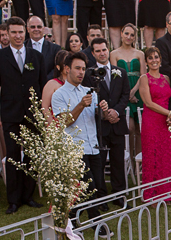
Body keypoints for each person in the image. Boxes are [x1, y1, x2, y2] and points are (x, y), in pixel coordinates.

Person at [0, 16, 46, 214]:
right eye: (13, 32)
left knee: (31, 156)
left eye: (21, 32)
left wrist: (41, 114)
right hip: (10, 114)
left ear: (26, 32)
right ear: (7, 34)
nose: (18, 35)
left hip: (31, 115)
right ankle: (13, 200)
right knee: (12, 157)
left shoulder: (36, 57)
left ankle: (28, 196)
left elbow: (41, 87)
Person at [51, 52, 104, 224]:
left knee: (94, 185)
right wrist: (81, 104)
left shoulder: (90, 92)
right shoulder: (59, 94)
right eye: (77, 68)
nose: (81, 72)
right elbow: (64, 122)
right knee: (88, 187)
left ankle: (71, 220)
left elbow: (97, 118)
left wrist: (103, 110)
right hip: (75, 148)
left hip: (93, 145)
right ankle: (96, 223)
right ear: (67, 69)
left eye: (83, 69)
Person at [85, 38, 130, 208]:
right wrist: (104, 113)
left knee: (118, 161)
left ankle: (119, 196)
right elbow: (90, 96)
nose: (102, 53)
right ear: (93, 53)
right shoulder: (89, 74)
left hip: (117, 123)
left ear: (109, 49)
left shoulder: (120, 72)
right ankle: (100, 198)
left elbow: (125, 94)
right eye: (98, 51)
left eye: (104, 49)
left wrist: (116, 111)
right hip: (99, 126)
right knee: (100, 163)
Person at [137, 46, 171, 201]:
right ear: (146, 61)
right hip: (152, 121)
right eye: (150, 58)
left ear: (160, 60)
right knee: (152, 155)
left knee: (167, 155)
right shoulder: (144, 78)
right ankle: (152, 194)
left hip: (167, 122)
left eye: (156, 57)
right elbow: (148, 103)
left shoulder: (166, 78)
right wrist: (169, 113)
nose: (154, 60)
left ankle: (169, 192)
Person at [111, 23, 145, 153]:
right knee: (129, 128)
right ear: (121, 34)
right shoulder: (114, 53)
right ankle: (130, 158)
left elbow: (143, 75)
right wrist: (127, 94)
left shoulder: (140, 53)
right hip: (122, 90)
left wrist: (134, 91)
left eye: (132, 35)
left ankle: (139, 161)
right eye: (126, 33)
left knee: (139, 129)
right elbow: (115, 75)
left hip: (138, 90)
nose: (129, 37)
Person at [26, 16, 60, 82]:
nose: (36, 29)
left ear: (43, 28)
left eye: (39, 27)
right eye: (33, 27)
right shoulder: (23, 47)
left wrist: (44, 80)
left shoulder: (55, 48)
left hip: (49, 85)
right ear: (28, 29)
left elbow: (57, 68)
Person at [41, 49, 69, 121]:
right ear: (58, 67)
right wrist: (52, 126)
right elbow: (45, 107)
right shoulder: (52, 84)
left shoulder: (76, 84)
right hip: (56, 123)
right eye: (65, 64)